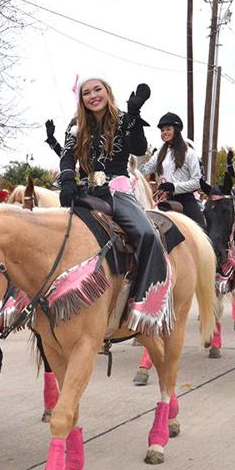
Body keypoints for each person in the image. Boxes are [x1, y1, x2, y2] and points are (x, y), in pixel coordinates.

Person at [57, 77, 173, 334]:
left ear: (107, 92)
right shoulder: (75, 125)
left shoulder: (121, 119)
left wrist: (134, 114)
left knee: (146, 234)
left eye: (97, 90)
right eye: (86, 92)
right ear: (81, 99)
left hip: (117, 189)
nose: (92, 95)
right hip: (86, 190)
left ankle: (144, 303)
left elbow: (139, 148)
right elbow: (67, 154)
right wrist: (67, 178)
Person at [139, 112, 206, 228]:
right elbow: (143, 171)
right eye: (162, 130)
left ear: (176, 130)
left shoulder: (189, 153)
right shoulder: (159, 153)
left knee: (202, 230)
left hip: (186, 200)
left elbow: (197, 181)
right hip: (164, 201)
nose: (164, 133)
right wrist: (139, 151)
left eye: (168, 129)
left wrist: (174, 186)